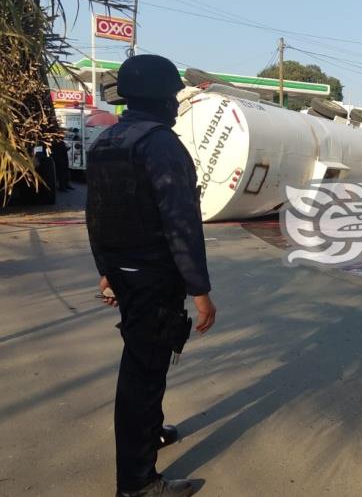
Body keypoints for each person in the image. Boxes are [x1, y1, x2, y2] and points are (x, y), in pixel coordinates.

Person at [85, 54, 216, 497]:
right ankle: (138, 484)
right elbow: (180, 223)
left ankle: (152, 430)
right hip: (154, 277)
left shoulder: (107, 141)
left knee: (146, 364)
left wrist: (106, 271)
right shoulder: (160, 144)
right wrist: (200, 291)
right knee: (143, 374)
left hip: (124, 272)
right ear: (163, 98)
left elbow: (96, 215)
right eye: (174, 96)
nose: (177, 104)